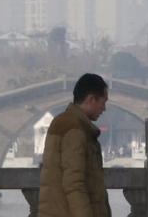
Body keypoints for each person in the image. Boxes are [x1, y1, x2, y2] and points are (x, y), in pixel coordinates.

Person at [38, 73, 111, 217]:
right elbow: (74, 184)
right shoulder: (74, 129)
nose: (104, 108)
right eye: (103, 102)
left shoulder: (65, 122)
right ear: (91, 99)